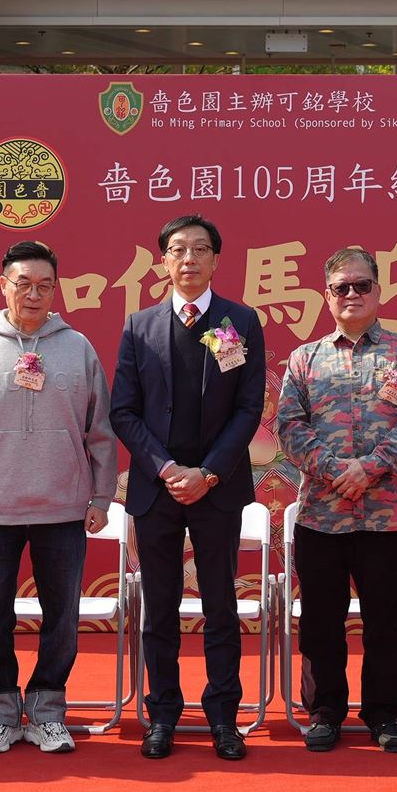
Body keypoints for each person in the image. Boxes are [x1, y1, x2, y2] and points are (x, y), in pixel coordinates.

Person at [0, 242, 119, 755]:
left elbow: (100, 430)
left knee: (62, 615)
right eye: (23, 284)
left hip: (63, 508)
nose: (33, 294)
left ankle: (46, 709)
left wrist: (101, 496)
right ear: (3, 286)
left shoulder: (77, 347)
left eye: (44, 285)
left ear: (56, 290)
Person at [111, 214, 267, 761]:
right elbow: (124, 411)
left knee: (221, 603)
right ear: (163, 260)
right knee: (160, 606)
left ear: (216, 260)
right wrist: (166, 468)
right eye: (178, 249)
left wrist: (209, 472)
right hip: (158, 489)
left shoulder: (239, 320)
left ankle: (224, 717)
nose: (189, 259)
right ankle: (163, 714)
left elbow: (248, 408)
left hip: (217, 489)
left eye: (201, 249)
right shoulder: (139, 326)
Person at [274, 246, 397, 753]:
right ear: (327, 295)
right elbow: (289, 426)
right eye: (341, 287)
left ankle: (384, 714)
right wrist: (334, 471)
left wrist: (369, 468)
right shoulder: (305, 358)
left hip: (386, 515)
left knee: (385, 622)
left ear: (378, 291)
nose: (351, 294)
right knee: (320, 621)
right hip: (321, 516)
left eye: (361, 285)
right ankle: (324, 712)